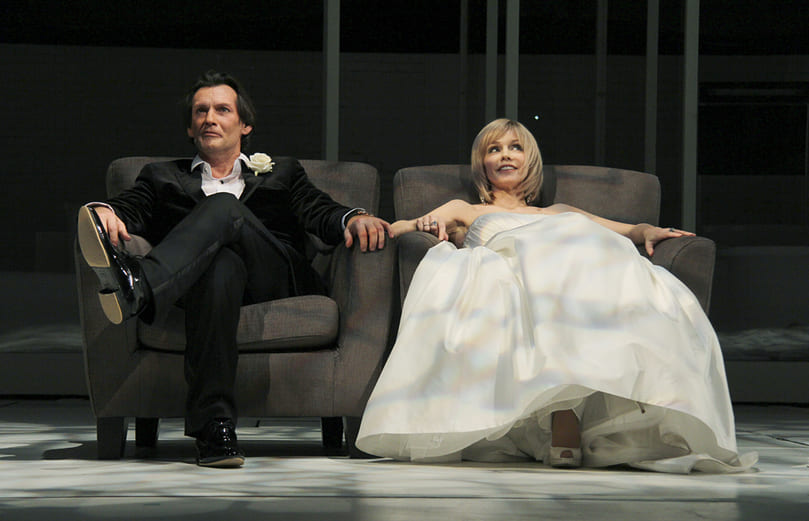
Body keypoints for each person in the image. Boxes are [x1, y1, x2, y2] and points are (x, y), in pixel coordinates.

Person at [355, 118, 756, 473]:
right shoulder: (467, 209)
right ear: (482, 164)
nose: (505, 155)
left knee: (586, 241)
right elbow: (404, 226)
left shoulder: (560, 213)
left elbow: (626, 231)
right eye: (494, 149)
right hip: (513, 277)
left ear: (530, 160)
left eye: (515, 147)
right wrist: (421, 223)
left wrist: (648, 231)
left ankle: (621, 395)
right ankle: (564, 412)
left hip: (568, 286)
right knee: (563, 248)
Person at [77, 70, 392, 468]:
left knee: (224, 207)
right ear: (190, 127)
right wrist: (105, 210)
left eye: (222, 110)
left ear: (245, 125)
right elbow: (130, 207)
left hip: (273, 277)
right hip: (206, 288)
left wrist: (354, 217)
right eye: (200, 111)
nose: (210, 118)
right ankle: (215, 432)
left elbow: (319, 210)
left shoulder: (282, 172)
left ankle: (140, 287)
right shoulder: (161, 177)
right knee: (220, 268)